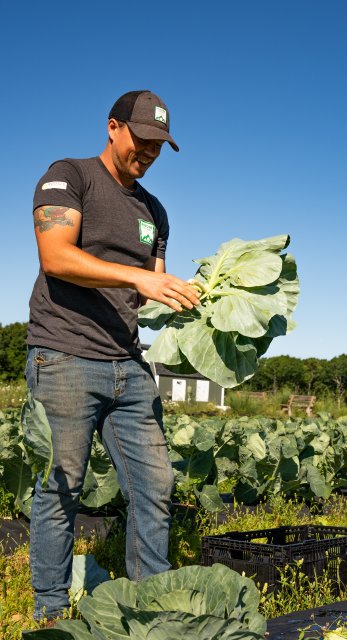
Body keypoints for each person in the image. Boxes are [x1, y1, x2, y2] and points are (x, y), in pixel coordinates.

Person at [26, 90, 201, 620]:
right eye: (141, 140)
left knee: (155, 484)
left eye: (158, 147)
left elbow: (149, 289)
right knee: (61, 488)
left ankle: (150, 606)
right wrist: (138, 276)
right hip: (64, 354)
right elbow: (56, 257)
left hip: (129, 363)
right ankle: (51, 612)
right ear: (112, 127)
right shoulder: (70, 175)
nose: (147, 153)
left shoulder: (155, 212)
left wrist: (187, 300)